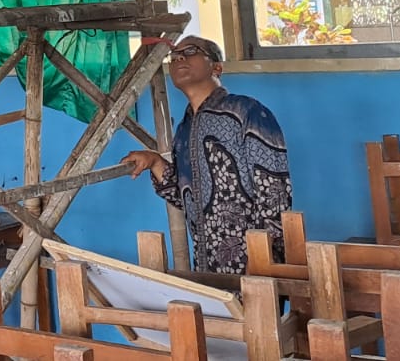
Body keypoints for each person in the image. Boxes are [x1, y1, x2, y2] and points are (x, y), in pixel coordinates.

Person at [123, 36, 292, 274]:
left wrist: (263, 258)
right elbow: (184, 198)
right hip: (207, 265)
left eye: (191, 51)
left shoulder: (246, 112)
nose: (179, 57)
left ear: (217, 67)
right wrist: (154, 161)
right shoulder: (184, 129)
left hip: (256, 263)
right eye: (174, 55)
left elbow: (274, 191)